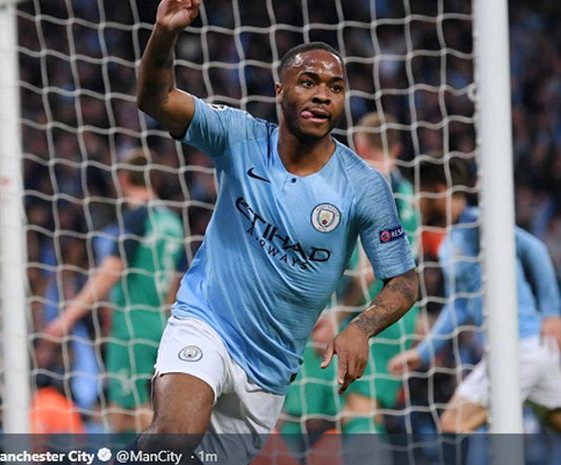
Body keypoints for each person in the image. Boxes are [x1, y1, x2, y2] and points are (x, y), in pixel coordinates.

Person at [134, 0, 418, 462]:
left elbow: (404, 282)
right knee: (173, 438)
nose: (323, 94)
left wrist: (362, 328)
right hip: (205, 323)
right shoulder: (238, 136)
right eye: (309, 82)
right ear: (280, 88)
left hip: (267, 372)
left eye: (335, 87)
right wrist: (165, 32)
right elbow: (155, 99)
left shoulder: (364, 186)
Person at [388, 157, 561, 433]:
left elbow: (535, 249)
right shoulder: (449, 245)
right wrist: (423, 353)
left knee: (453, 423)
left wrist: (552, 313)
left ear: (440, 189)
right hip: (530, 351)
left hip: (519, 348)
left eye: (419, 193)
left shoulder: (480, 225)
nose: (413, 202)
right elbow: (459, 306)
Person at [282, 112, 421, 442]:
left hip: (365, 308)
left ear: (358, 144)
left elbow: (367, 271)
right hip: (398, 311)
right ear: (397, 148)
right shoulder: (407, 192)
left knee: (338, 410)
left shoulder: (363, 185)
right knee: (332, 409)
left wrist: (338, 316)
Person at [38, 149, 184, 433]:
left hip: (132, 327)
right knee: (147, 405)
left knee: (126, 412)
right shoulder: (172, 222)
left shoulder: (136, 219)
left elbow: (110, 271)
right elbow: (175, 282)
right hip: (162, 326)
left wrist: (66, 318)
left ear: (122, 178)